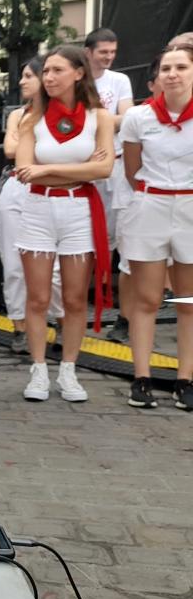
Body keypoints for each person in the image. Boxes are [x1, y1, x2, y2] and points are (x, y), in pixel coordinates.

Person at [14, 45, 115, 403]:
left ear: (78, 73)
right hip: (39, 208)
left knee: (74, 299)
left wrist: (48, 169)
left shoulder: (99, 117)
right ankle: (38, 369)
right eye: (47, 71)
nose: (50, 77)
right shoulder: (31, 118)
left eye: (58, 70)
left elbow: (103, 169)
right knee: (38, 297)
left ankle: (69, 370)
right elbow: (25, 171)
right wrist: (74, 168)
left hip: (79, 210)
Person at [120, 43, 193, 410]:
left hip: (192, 207)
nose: (173, 74)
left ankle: (186, 379)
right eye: (166, 68)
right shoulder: (138, 117)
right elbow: (132, 171)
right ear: (157, 76)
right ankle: (142, 377)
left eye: (181, 67)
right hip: (151, 204)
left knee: (188, 302)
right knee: (147, 299)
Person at [0, 57, 64, 353]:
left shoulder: (65, 114)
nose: (22, 81)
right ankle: (19, 328)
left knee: (58, 266)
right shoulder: (17, 115)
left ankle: (61, 322)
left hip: (52, 189)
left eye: (28, 76)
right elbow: (11, 150)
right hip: (17, 187)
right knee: (13, 264)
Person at [85, 28, 137, 344]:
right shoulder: (78, 78)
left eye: (112, 51)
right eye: (103, 51)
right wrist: (107, 119)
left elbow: (128, 118)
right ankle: (83, 302)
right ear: (88, 51)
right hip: (81, 167)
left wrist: (94, 120)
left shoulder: (119, 81)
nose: (109, 56)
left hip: (115, 166)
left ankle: (120, 311)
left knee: (118, 239)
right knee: (86, 239)